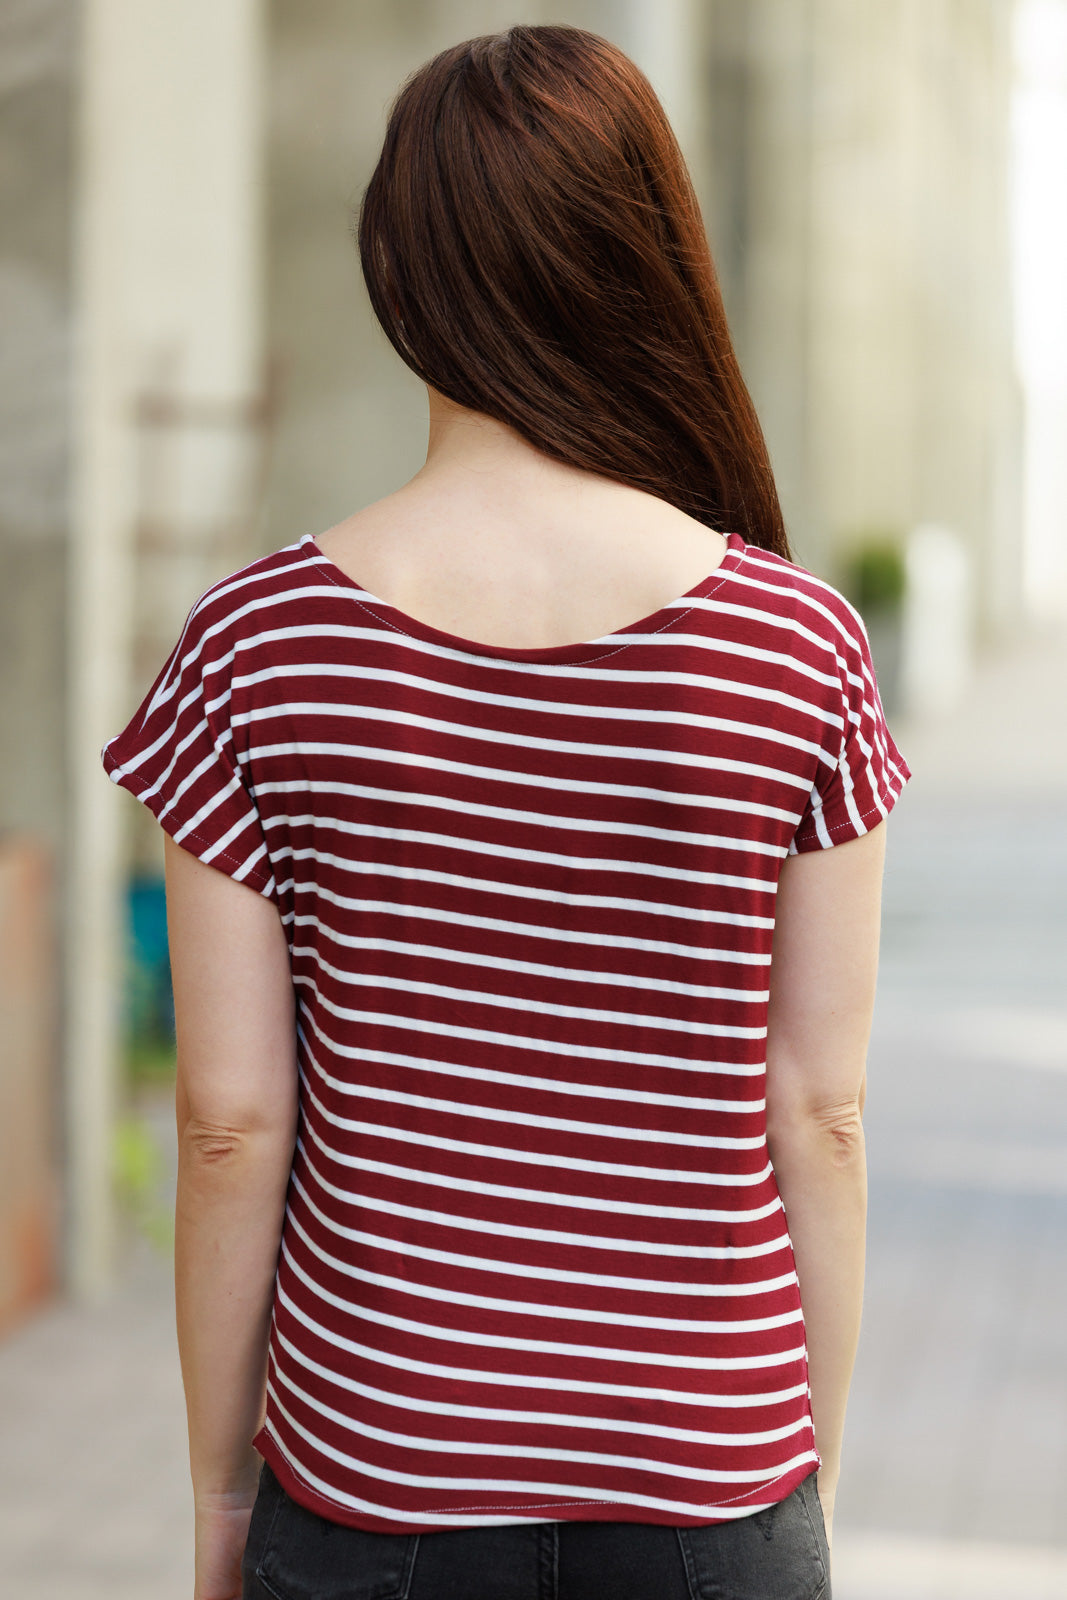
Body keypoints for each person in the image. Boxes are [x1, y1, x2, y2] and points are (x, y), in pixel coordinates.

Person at [101, 23, 911, 1600]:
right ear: (643, 257)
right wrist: (800, 1479)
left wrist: (217, 1500)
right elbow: (821, 1107)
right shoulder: (797, 641)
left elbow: (228, 1122)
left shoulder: (256, 644)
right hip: (709, 1487)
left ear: (395, 272)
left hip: (376, 1486)